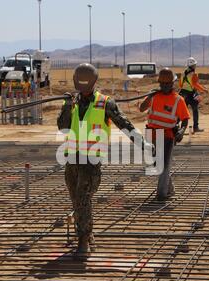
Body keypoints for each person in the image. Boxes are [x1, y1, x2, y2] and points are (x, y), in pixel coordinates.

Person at [57, 63, 151, 259]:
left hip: (91, 161)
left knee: (83, 199)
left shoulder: (105, 103)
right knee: (77, 201)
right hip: (71, 160)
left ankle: (83, 241)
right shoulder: (71, 103)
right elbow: (63, 127)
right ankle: (88, 233)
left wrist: (143, 144)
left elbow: (124, 124)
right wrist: (67, 107)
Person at [140, 67, 190, 201]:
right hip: (151, 134)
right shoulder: (154, 96)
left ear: (173, 83)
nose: (165, 86)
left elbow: (185, 119)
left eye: (168, 84)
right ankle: (170, 188)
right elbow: (141, 108)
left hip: (167, 135)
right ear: (159, 83)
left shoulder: (178, 100)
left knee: (164, 164)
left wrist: (182, 131)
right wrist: (149, 96)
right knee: (157, 165)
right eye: (162, 84)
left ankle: (161, 194)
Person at [179, 57, 207, 133]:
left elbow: (180, 85)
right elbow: (195, 84)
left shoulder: (183, 73)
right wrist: (203, 89)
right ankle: (195, 127)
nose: (195, 66)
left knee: (182, 112)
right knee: (195, 110)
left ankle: (180, 129)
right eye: (195, 64)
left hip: (182, 94)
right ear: (193, 65)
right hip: (191, 94)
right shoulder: (193, 74)